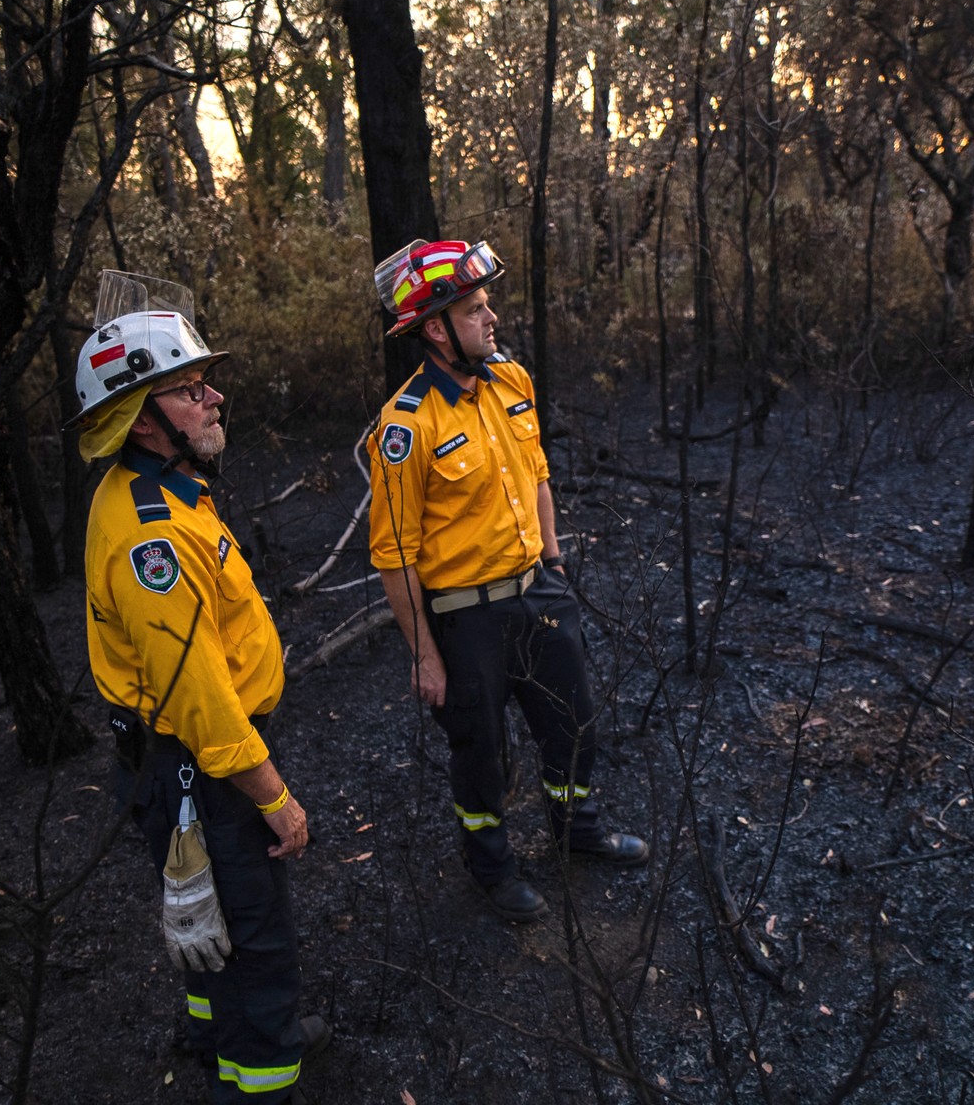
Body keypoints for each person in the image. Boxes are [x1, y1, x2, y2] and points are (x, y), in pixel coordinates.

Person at [69, 270, 328, 1102]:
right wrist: (273, 797)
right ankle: (262, 1070)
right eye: (189, 390)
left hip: (185, 762)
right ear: (139, 418)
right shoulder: (152, 538)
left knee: (207, 928)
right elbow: (205, 706)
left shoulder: (167, 492)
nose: (214, 397)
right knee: (253, 937)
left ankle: (223, 1032)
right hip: (204, 768)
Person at [367, 239, 649, 923]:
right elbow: (395, 555)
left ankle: (575, 832)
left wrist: (552, 562)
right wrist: (424, 656)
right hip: (467, 621)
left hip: (538, 593)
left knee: (572, 722)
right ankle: (491, 867)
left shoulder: (512, 381)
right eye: (475, 309)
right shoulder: (405, 427)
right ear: (435, 328)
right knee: (480, 752)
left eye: (489, 304)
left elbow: (539, 476)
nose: (491, 319)